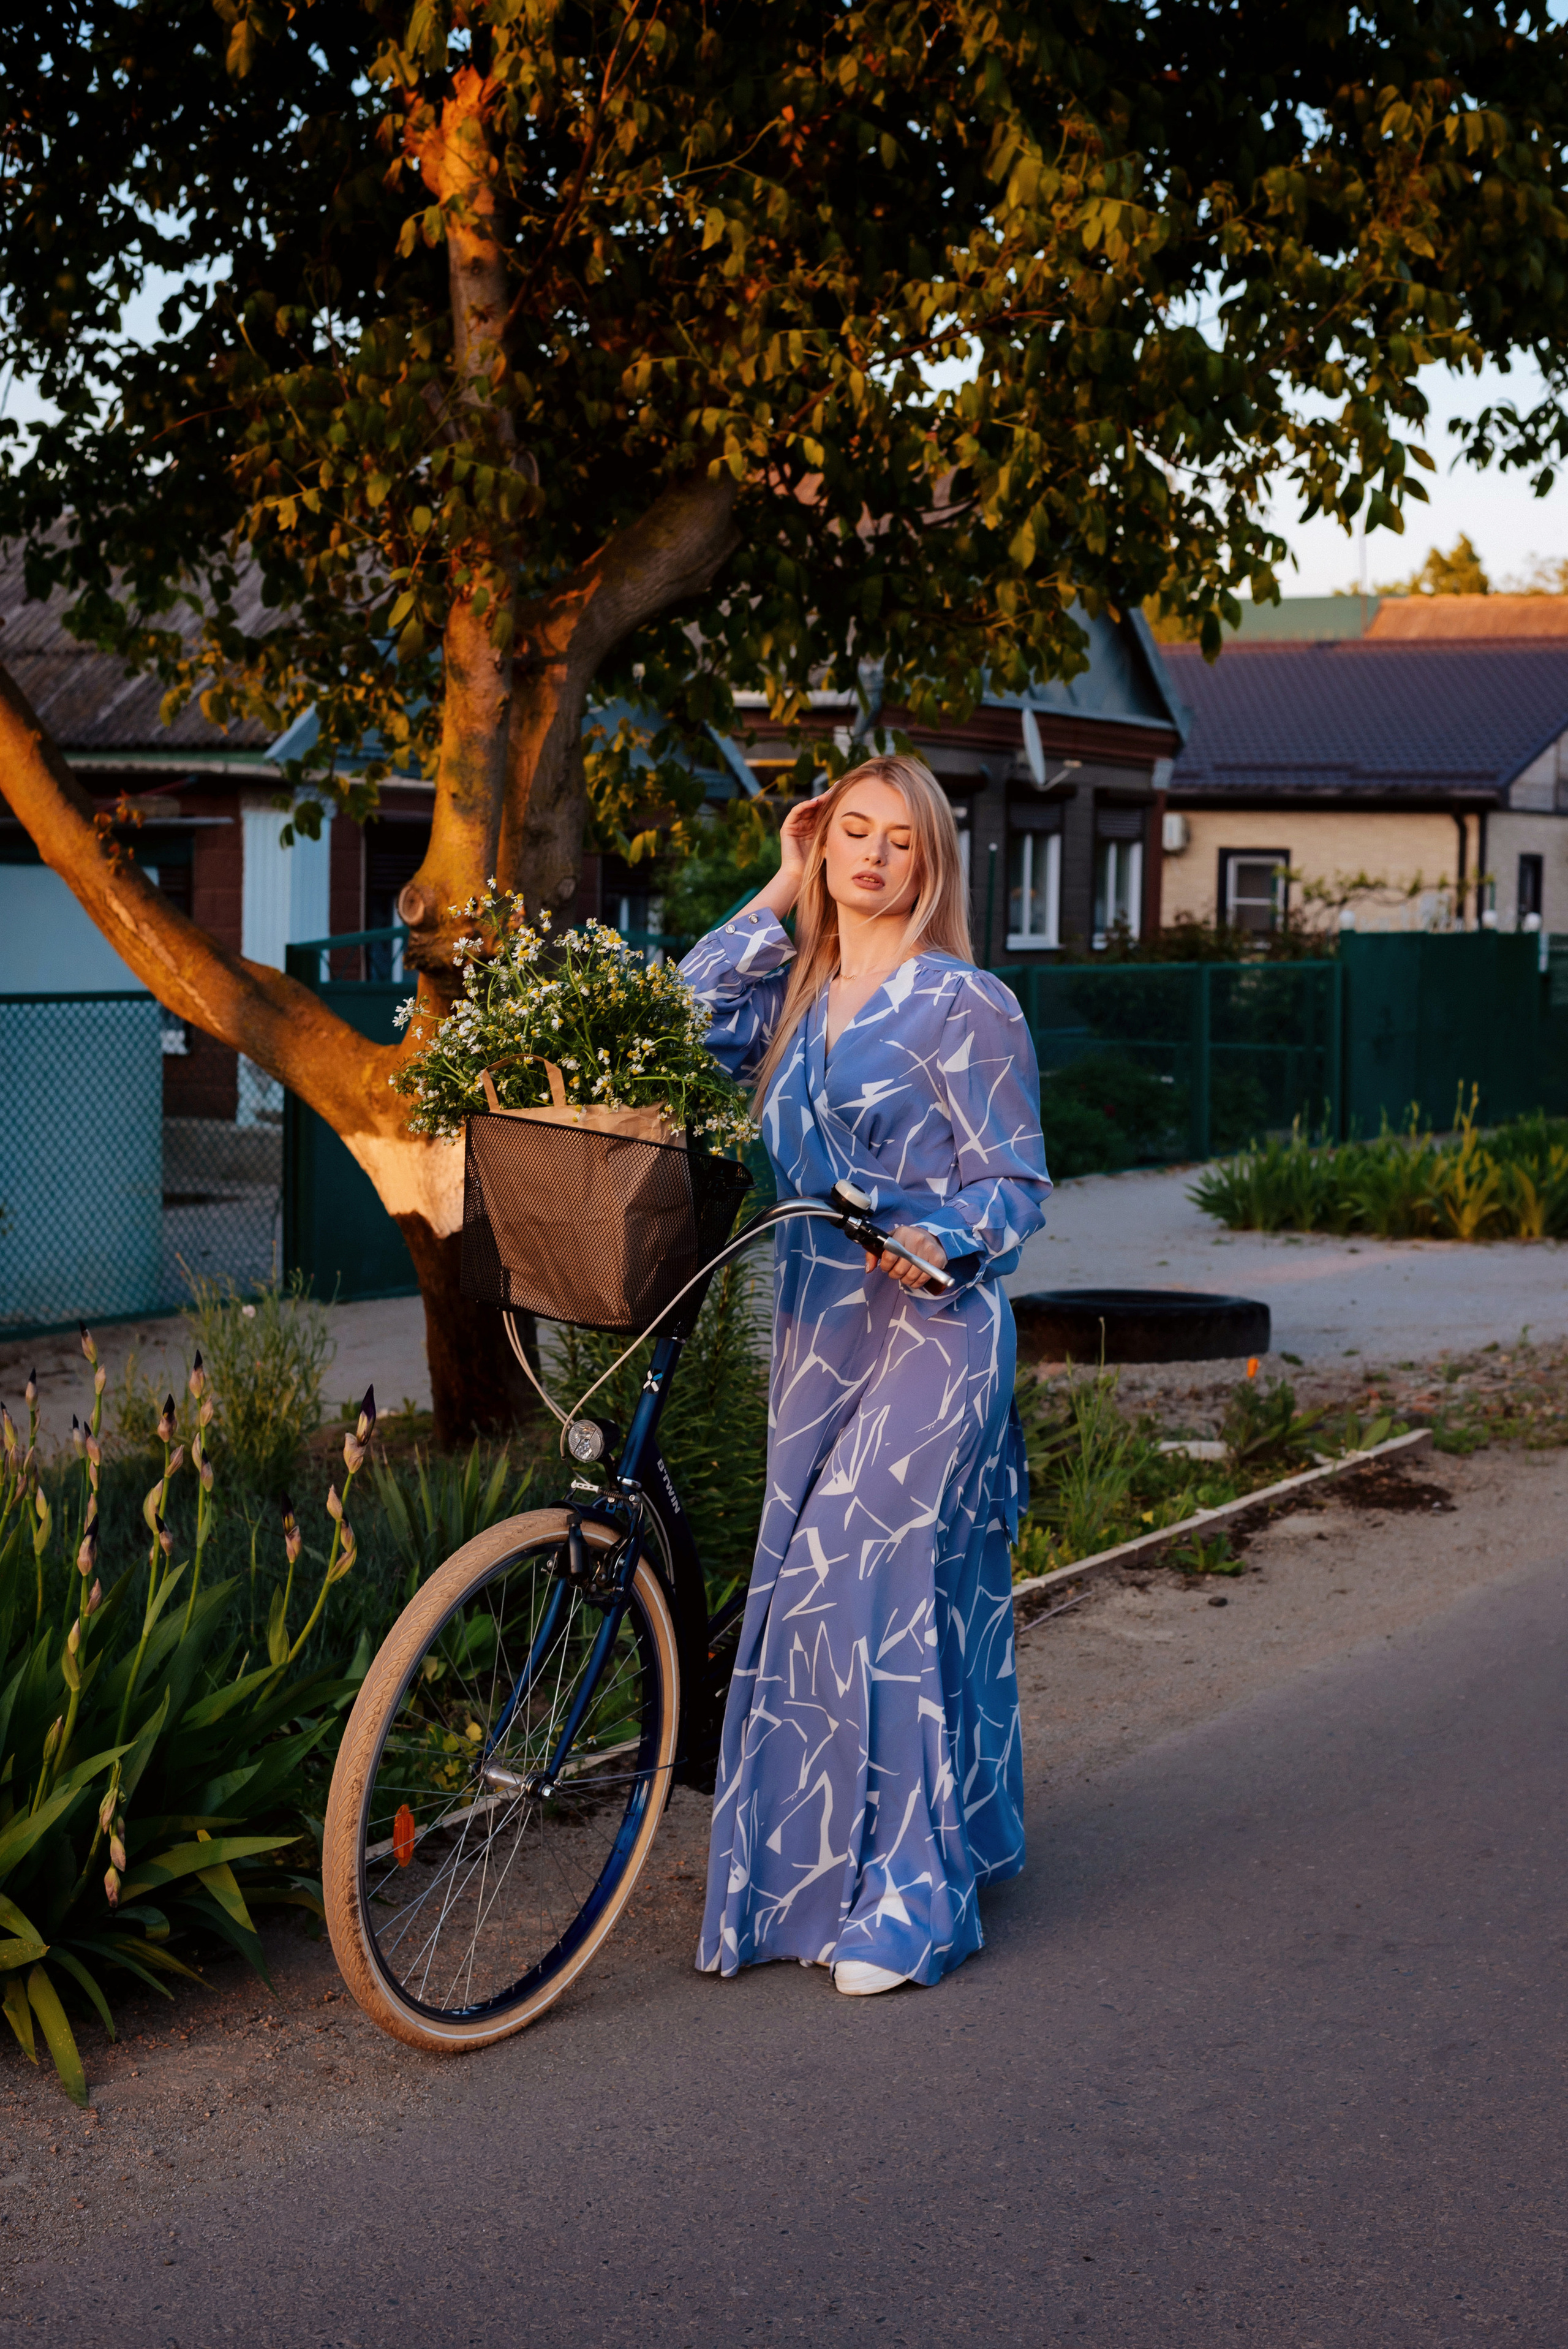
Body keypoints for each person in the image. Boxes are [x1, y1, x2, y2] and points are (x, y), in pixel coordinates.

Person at [679, 752, 1052, 1995]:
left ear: (929, 861)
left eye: (900, 839)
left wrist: (942, 1240)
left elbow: (1012, 1185)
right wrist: (777, 886)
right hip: (815, 1333)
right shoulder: (792, 995)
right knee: (807, 1585)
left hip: (935, 1329)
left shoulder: (967, 1003)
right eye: (850, 832)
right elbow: (680, 1022)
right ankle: (816, 1877)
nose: (872, 856)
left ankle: (905, 1898)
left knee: (860, 1566)